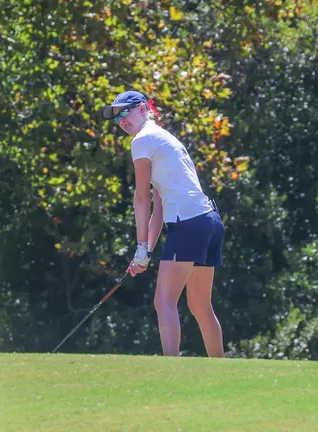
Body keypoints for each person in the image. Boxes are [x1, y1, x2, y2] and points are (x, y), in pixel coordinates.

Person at [101, 90, 226, 358]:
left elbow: (142, 197)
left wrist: (141, 246)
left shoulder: (143, 140)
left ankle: (171, 371)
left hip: (190, 224)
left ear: (144, 109)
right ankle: (222, 372)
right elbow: (158, 209)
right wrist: (144, 251)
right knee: (200, 306)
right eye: (116, 117)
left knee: (164, 301)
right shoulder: (165, 139)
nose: (122, 120)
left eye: (126, 111)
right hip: (209, 222)